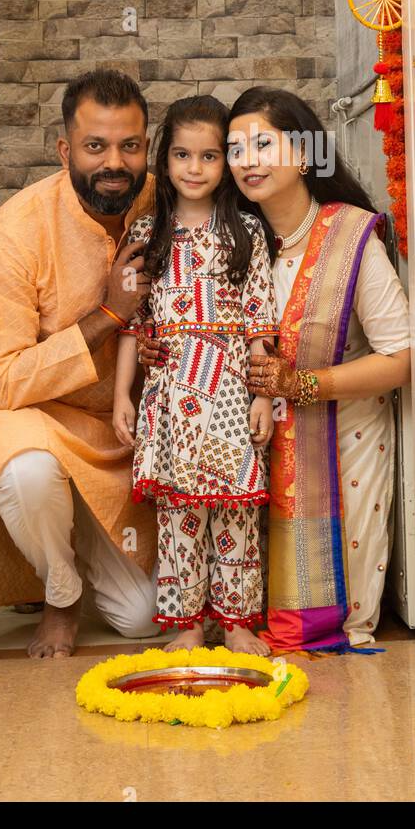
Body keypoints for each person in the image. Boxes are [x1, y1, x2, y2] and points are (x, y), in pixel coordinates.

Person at [0, 68, 160, 659]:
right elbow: (2, 380)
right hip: (44, 420)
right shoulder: (18, 229)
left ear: (147, 147)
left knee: (142, 621)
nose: (115, 162)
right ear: (65, 151)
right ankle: (59, 594)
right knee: (29, 473)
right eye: (95, 146)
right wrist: (108, 312)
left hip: (127, 436)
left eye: (129, 146)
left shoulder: (174, 201)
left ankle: (82, 539)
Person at [228, 87, 411, 652]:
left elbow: (400, 358)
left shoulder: (351, 235)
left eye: (263, 143)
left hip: (344, 432)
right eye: (234, 150)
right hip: (249, 439)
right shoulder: (229, 241)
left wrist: (303, 385)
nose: (248, 160)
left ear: (304, 153)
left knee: (335, 620)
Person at [113, 95, 279, 656]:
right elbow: (133, 324)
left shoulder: (247, 232)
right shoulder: (146, 231)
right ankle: (185, 624)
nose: (194, 168)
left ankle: (235, 624)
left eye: (209, 156)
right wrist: (122, 397)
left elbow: (260, 318)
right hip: (170, 393)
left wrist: (262, 396)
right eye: (182, 155)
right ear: (165, 160)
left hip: (231, 390)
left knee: (234, 511)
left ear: (225, 164)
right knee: (178, 513)